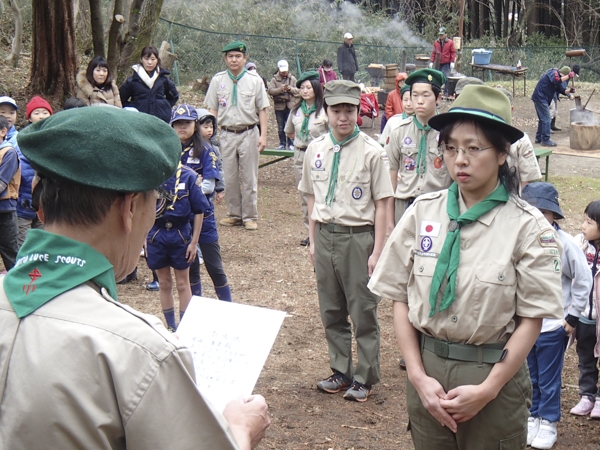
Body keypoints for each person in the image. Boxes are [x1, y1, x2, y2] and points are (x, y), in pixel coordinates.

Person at [0, 107, 270, 449]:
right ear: (129, 209)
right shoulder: (139, 351)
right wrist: (240, 432)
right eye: (153, 206)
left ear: (40, 205)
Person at [368, 85, 564, 449]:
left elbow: (532, 319)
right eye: (452, 147)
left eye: (474, 148)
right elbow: (399, 297)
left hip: (493, 376)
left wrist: (487, 390)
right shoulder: (422, 212)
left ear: (504, 153)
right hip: (427, 375)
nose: (460, 159)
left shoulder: (527, 226)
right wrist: (417, 376)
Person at [298, 80, 393, 403]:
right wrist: (312, 241)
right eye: (336, 110)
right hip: (325, 236)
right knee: (331, 309)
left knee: (363, 310)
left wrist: (378, 250)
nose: (343, 117)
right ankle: (341, 369)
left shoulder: (373, 152)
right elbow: (311, 197)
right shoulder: (316, 148)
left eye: (349, 110)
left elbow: (383, 203)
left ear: (358, 112)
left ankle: (365, 376)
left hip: (358, 239)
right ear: (326, 112)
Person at [521, 183, 592, 449]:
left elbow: (583, 279)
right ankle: (531, 417)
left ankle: (548, 420)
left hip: (552, 326)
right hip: (524, 325)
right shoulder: (519, 240)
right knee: (530, 376)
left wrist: (572, 317)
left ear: (554, 215)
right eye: (532, 210)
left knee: (549, 378)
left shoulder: (564, 244)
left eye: (544, 211)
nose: (538, 216)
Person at [205, 41, 270, 231]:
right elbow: (212, 109)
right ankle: (234, 214)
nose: (234, 60)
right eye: (230, 56)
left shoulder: (255, 80)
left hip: (249, 132)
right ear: (225, 59)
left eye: (238, 56)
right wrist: (209, 134)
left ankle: (250, 216)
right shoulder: (218, 80)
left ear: (245, 58)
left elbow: (263, 109)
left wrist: (263, 135)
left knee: (250, 176)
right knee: (229, 177)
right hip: (225, 133)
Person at [174, 104, 232, 302]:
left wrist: (186, 187)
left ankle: (228, 307)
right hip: (180, 218)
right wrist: (192, 182)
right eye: (178, 123)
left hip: (203, 216)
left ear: (195, 124)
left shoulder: (206, 149)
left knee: (214, 266)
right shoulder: (170, 149)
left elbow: (208, 184)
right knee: (190, 267)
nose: (182, 127)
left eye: (187, 123)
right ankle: (194, 311)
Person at [384, 68, 452, 234]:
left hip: (438, 205)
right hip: (404, 204)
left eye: (426, 95)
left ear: (438, 98)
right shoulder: (399, 131)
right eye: (415, 95)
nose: (419, 101)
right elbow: (392, 175)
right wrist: (389, 218)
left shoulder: (448, 132)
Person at [285, 71, 329, 247]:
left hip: (321, 156)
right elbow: (289, 132)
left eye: (308, 87)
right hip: (300, 155)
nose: (304, 91)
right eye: (302, 88)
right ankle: (309, 232)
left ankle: (323, 231)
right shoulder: (296, 111)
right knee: (305, 194)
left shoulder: (325, 110)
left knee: (321, 193)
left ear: (316, 89)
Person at [569, 200, 600, 418]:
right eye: (584, 220)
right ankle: (587, 395)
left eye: (589, 222)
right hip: (584, 318)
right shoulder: (579, 244)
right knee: (585, 357)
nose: (583, 225)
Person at [16, 96, 53, 247]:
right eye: (37, 113)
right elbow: (20, 168)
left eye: (45, 112)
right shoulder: (22, 139)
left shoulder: (54, 137)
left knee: (43, 244)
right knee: (23, 245)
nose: (41, 116)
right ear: (29, 117)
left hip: (46, 200)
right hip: (23, 201)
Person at [120, 46, 179, 123]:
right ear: (141, 60)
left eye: (153, 59)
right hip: (139, 121)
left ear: (157, 60)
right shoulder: (133, 80)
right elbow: (121, 98)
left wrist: (164, 106)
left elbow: (174, 96)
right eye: (146, 59)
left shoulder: (163, 79)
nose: (149, 62)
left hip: (160, 120)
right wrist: (133, 108)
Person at [531, 66, 576, 147]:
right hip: (540, 97)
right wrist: (569, 76)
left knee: (543, 119)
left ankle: (539, 138)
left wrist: (570, 91)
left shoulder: (558, 80)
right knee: (547, 118)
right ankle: (545, 139)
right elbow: (557, 80)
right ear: (564, 74)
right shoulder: (554, 73)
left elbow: (562, 90)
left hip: (541, 98)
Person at [0, 115, 20, 271]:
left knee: (10, 253)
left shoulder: (9, 152)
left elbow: (2, 183)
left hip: (5, 211)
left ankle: (20, 289)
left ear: (3, 131)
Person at [268, 60, 299, 150]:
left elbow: (298, 91)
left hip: (290, 106)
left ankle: (291, 143)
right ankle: (282, 143)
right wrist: (280, 90)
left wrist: (290, 89)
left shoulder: (292, 79)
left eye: (285, 71)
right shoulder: (274, 79)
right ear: (278, 69)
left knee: (290, 126)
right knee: (281, 126)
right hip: (279, 107)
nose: (284, 73)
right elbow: (270, 91)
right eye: (282, 71)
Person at [429, 27, 456, 97]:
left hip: (446, 63)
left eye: (442, 34)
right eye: (440, 35)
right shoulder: (436, 42)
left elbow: (453, 52)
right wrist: (431, 61)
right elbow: (433, 52)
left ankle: (446, 92)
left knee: (446, 77)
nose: (441, 36)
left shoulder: (450, 42)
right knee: (438, 77)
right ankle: (438, 92)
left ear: (446, 34)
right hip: (438, 63)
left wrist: (452, 62)